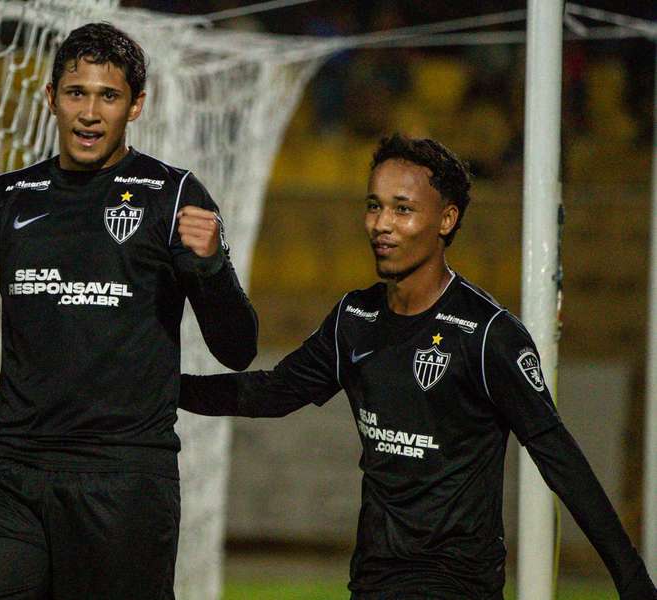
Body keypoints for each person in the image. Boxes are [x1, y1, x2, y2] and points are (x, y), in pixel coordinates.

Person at [180, 134, 656, 599]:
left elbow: (560, 457)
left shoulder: (488, 335)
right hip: (373, 579)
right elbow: (272, 392)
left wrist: (629, 577)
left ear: (446, 219)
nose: (381, 224)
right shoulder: (355, 318)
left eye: (402, 209)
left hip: (455, 582)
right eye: (374, 205)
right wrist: (164, 387)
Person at [0, 22, 257, 600]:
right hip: (17, 473)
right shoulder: (5, 199)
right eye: (76, 93)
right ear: (50, 99)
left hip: (125, 481)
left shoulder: (172, 195)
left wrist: (209, 266)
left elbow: (237, 349)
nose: (89, 113)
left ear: (136, 106)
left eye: (108, 96)